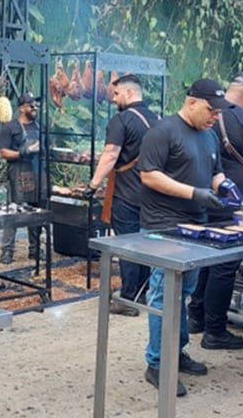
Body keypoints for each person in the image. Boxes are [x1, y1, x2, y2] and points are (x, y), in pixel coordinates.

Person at [138, 78, 241, 396]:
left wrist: (223, 185)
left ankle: (176, 351)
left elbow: (215, 170)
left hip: (196, 225)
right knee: (164, 294)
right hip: (164, 225)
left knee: (183, 292)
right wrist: (194, 193)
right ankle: (156, 362)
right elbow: (149, 174)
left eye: (219, 112)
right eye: (211, 110)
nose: (215, 117)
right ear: (192, 101)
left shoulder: (209, 136)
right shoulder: (162, 131)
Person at [187, 73, 243, 350]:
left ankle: (196, 315)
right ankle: (215, 329)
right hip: (234, 204)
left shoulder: (202, 117)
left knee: (205, 260)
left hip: (201, 198)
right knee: (225, 266)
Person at [84, 74, 159, 317]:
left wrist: (93, 184)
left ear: (128, 93)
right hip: (153, 194)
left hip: (127, 193)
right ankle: (144, 293)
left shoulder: (122, 120)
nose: (114, 98)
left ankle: (128, 299)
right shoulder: (158, 119)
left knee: (128, 244)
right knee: (147, 244)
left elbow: (110, 155)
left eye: (116, 94)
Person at [0, 93, 45, 264]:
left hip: (38, 173)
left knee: (36, 213)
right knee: (13, 213)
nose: (34, 109)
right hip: (18, 172)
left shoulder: (41, 127)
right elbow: (3, 152)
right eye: (31, 106)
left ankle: (34, 250)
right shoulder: (10, 128)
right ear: (21, 108)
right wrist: (22, 152)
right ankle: (7, 251)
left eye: (36, 106)